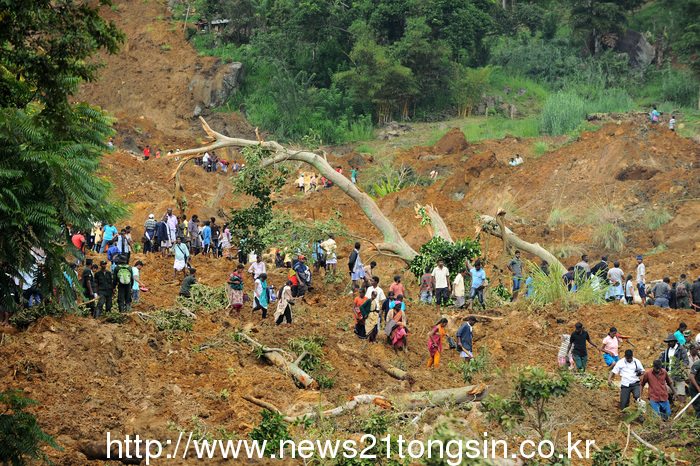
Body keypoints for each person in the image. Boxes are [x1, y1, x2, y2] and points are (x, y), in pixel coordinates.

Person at [659, 333, 689, 405]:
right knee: (666, 391)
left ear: (675, 341)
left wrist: (682, 367)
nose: (669, 343)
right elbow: (663, 361)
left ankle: (681, 410)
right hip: (669, 374)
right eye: (668, 342)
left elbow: (686, 360)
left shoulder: (681, 349)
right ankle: (671, 406)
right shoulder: (666, 350)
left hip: (679, 375)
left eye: (671, 342)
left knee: (681, 394)